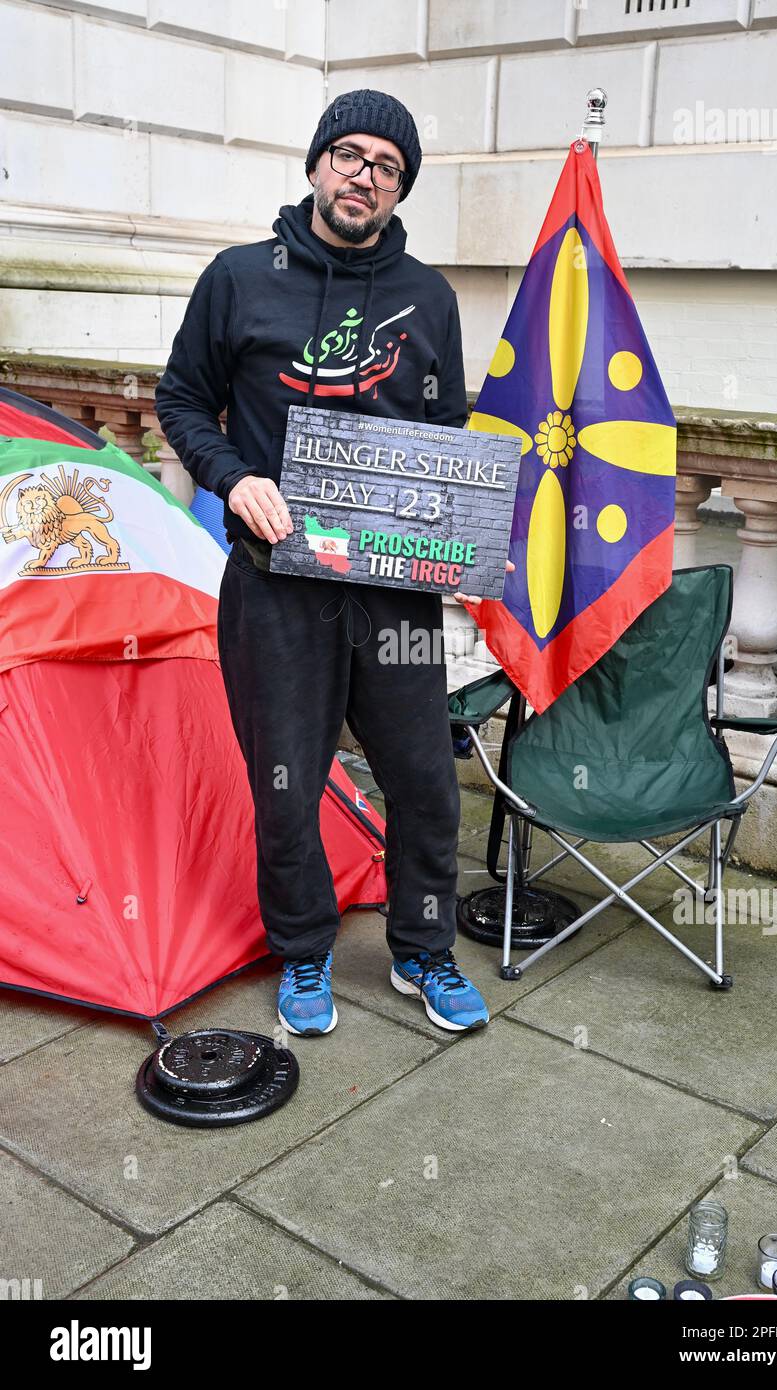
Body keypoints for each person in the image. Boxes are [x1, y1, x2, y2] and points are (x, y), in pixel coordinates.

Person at [156, 90, 495, 1037]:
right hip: (276, 584)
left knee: (425, 780)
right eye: (349, 155)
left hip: (390, 596)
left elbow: (444, 437)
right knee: (286, 781)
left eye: (387, 167)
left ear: (399, 190)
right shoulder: (237, 279)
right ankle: (303, 954)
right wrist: (232, 480)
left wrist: (450, 537)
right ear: (316, 166)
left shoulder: (430, 297)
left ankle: (423, 952)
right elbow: (181, 400)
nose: (365, 177)